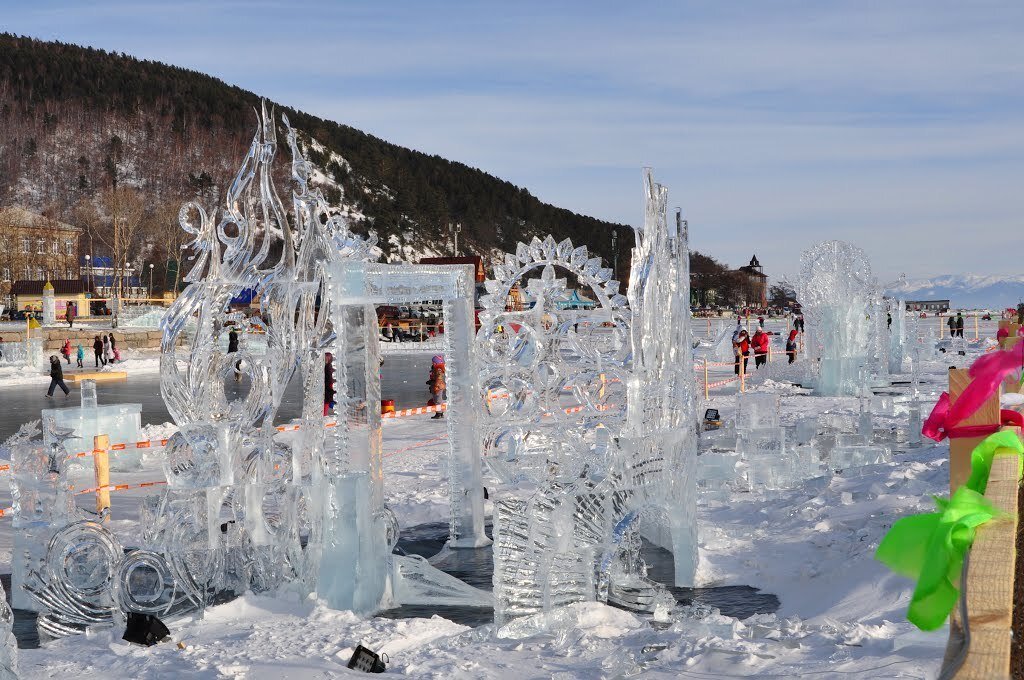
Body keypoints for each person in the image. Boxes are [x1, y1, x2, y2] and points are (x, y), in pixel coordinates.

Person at [428, 355, 446, 419]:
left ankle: (439, 413)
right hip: (437, 385)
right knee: (436, 400)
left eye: (433, 362)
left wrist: (436, 385)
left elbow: (439, 378)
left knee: (438, 400)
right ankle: (439, 412)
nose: (432, 363)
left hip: (438, 386)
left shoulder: (438, 369)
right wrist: (431, 381)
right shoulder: (436, 368)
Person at [323, 352, 336, 416]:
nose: (326, 359)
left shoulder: (329, 367)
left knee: (327, 403)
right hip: (327, 389)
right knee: (327, 403)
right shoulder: (328, 367)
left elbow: (330, 380)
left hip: (328, 389)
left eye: (328, 357)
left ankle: (324, 415)